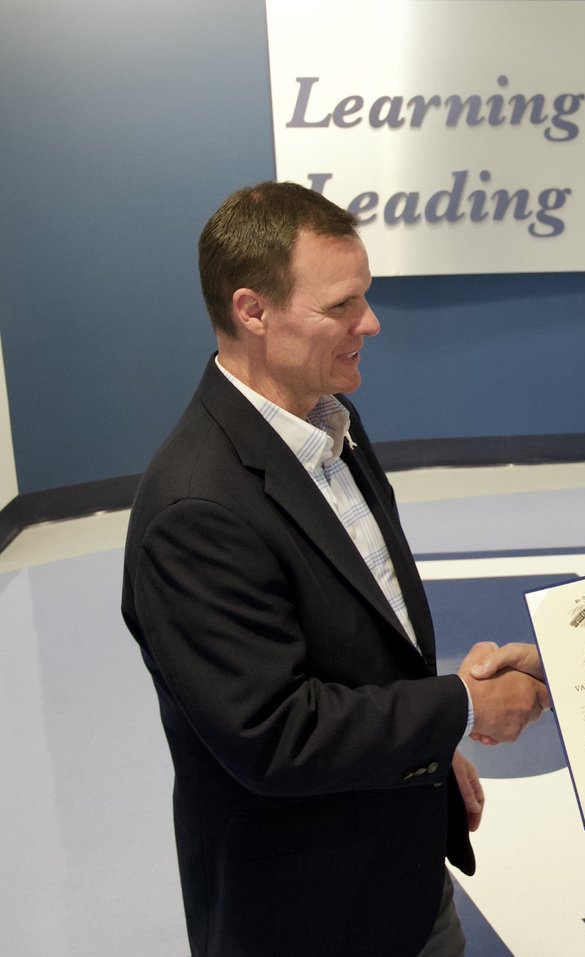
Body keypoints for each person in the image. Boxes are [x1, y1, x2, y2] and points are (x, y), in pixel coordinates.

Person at [121, 181, 548, 957]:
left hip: (403, 876)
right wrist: (457, 709)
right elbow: (273, 734)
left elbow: (361, 634)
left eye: (367, 297)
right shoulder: (196, 510)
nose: (371, 323)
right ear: (252, 310)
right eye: (342, 306)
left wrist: (424, 751)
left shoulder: (329, 423)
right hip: (307, 915)